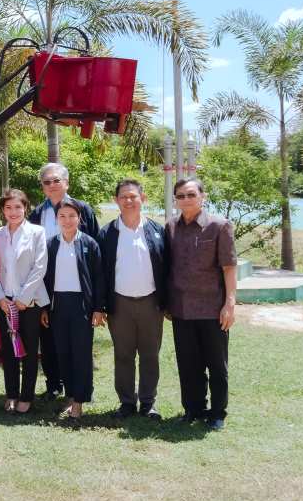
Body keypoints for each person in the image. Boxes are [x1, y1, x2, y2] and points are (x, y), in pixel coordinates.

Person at [166, 177, 237, 431]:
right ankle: (193, 409)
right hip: (181, 309)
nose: (186, 199)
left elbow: (229, 267)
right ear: (175, 200)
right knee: (188, 365)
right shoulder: (171, 227)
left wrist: (230, 303)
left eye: (191, 194)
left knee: (216, 365)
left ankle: (217, 413)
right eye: (181, 196)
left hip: (212, 308)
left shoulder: (219, 225)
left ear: (202, 197)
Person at [98, 179, 170, 420]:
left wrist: (167, 302)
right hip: (119, 304)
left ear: (143, 199)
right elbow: (101, 272)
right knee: (123, 355)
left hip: (151, 303)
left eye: (133, 196)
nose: (128, 201)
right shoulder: (107, 233)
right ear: (116, 200)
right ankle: (127, 402)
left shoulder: (157, 231)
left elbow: (167, 268)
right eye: (123, 197)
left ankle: (148, 403)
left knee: (150, 355)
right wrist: (100, 306)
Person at [28, 162, 99, 401]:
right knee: (49, 337)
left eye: (56, 180)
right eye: (46, 182)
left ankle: (79, 390)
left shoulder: (82, 209)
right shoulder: (38, 213)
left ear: (66, 183)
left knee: (78, 342)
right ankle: (54, 384)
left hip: (77, 286)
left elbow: (95, 249)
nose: (52, 185)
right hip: (47, 283)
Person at [44, 198, 106, 423]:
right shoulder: (51, 244)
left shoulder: (89, 244)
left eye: (72, 216)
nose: (67, 220)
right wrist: (45, 307)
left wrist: (98, 308)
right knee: (63, 352)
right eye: (62, 216)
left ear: (79, 218)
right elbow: (45, 278)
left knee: (81, 353)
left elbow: (99, 278)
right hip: (58, 305)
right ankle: (70, 396)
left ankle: (79, 400)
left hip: (82, 305)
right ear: (56, 219)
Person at [0, 188, 48, 413]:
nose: (13, 212)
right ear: (2, 211)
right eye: (8, 207)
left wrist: (24, 298)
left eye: (17, 207)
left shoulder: (37, 232)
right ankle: (12, 394)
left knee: (30, 352)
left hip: (29, 303)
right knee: (9, 351)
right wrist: (0, 298)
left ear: (25, 208)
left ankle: (26, 397)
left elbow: (40, 267)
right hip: (5, 304)